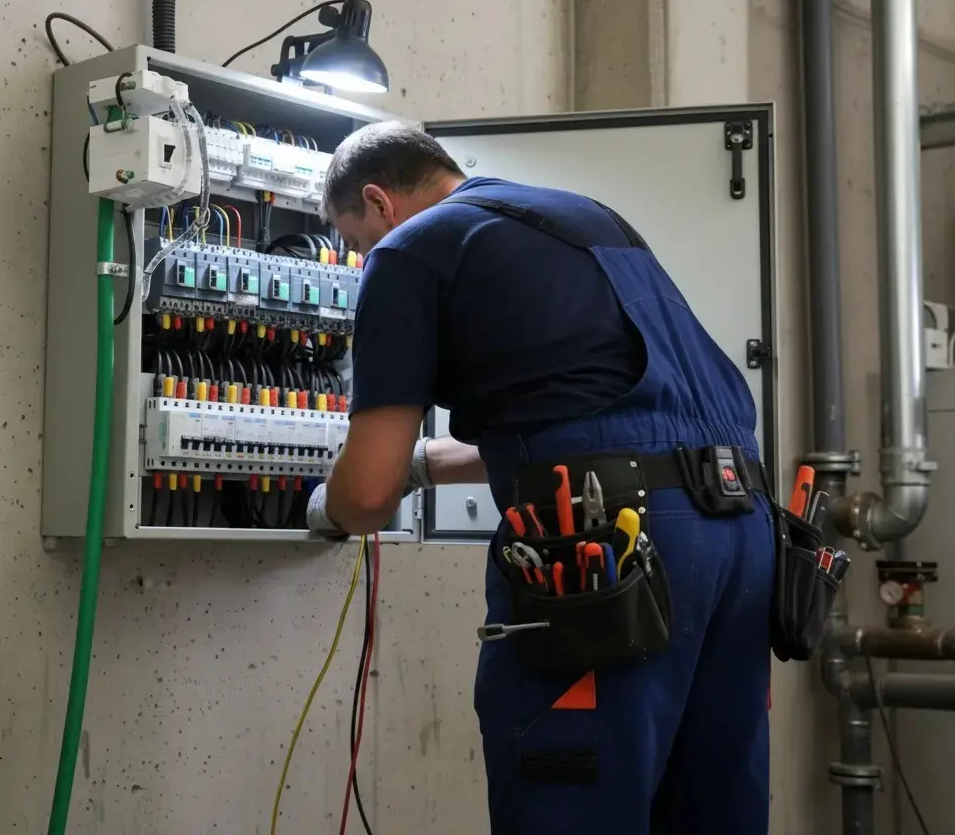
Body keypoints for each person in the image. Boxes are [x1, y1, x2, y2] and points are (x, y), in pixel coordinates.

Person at [304, 122, 774, 835]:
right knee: (709, 803)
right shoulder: (585, 218)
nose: (364, 256)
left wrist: (329, 507)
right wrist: (425, 466)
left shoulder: (406, 251)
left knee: (570, 799)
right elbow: (600, 421)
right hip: (741, 529)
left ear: (378, 201)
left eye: (357, 241)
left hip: (611, 554)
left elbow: (366, 495)